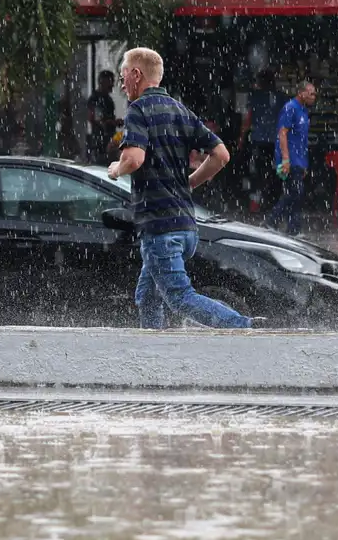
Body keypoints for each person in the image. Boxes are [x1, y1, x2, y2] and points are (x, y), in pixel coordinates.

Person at [108, 47, 255, 330]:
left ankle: (243, 326)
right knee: (148, 296)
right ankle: (154, 352)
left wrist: (116, 168)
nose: (121, 81)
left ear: (136, 74)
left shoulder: (138, 111)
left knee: (179, 297)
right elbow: (221, 155)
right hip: (186, 227)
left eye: (124, 74)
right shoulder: (179, 110)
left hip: (160, 226)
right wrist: (190, 182)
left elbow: (134, 158)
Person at [265, 81, 317, 235]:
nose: (314, 97)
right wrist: (285, 159)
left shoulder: (303, 111)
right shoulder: (290, 108)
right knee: (296, 192)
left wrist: (304, 164)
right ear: (301, 93)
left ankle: (292, 228)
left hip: (299, 159)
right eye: (311, 93)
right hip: (291, 158)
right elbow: (282, 133)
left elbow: (302, 139)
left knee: (295, 193)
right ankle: (272, 220)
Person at [237, 69, 286, 209]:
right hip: (276, 141)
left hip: (259, 139)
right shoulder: (281, 97)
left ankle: (258, 202)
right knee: (276, 173)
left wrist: (241, 138)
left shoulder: (254, 96)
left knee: (258, 172)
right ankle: (273, 201)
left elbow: (247, 119)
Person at [87, 70, 118, 163]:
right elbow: (94, 118)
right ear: (102, 82)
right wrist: (111, 123)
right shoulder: (95, 98)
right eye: (110, 81)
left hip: (109, 140)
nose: (112, 84)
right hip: (99, 141)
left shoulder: (109, 100)